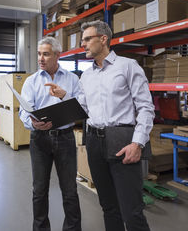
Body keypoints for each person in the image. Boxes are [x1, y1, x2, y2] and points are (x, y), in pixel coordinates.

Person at [47, 20, 155, 231]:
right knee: (108, 206)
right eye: (82, 40)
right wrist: (64, 96)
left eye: (87, 39)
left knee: (131, 210)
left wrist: (138, 143)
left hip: (122, 140)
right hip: (94, 141)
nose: (83, 45)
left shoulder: (127, 66)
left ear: (103, 39)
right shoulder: (87, 75)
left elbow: (146, 108)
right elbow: (84, 108)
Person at [19, 36, 82, 231]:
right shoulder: (31, 81)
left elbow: (81, 108)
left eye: (45, 54)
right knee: (39, 191)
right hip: (39, 140)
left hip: (65, 138)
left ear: (57, 55)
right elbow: (24, 110)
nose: (41, 58)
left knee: (70, 191)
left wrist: (65, 95)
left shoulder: (72, 79)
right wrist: (32, 123)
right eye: (39, 54)